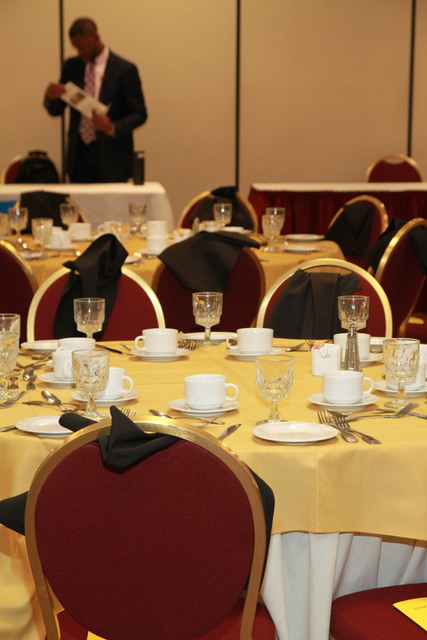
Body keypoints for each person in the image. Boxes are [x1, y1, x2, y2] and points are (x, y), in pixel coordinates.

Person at [43, 17, 147, 183]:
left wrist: (112, 127)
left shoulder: (125, 69)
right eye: (76, 47)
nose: (80, 53)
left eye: (82, 47)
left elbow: (140, 114)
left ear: (96, 37)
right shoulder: (72, 66)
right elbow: (56, 110)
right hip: (79, 156)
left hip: (113, 158)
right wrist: (49, 98)